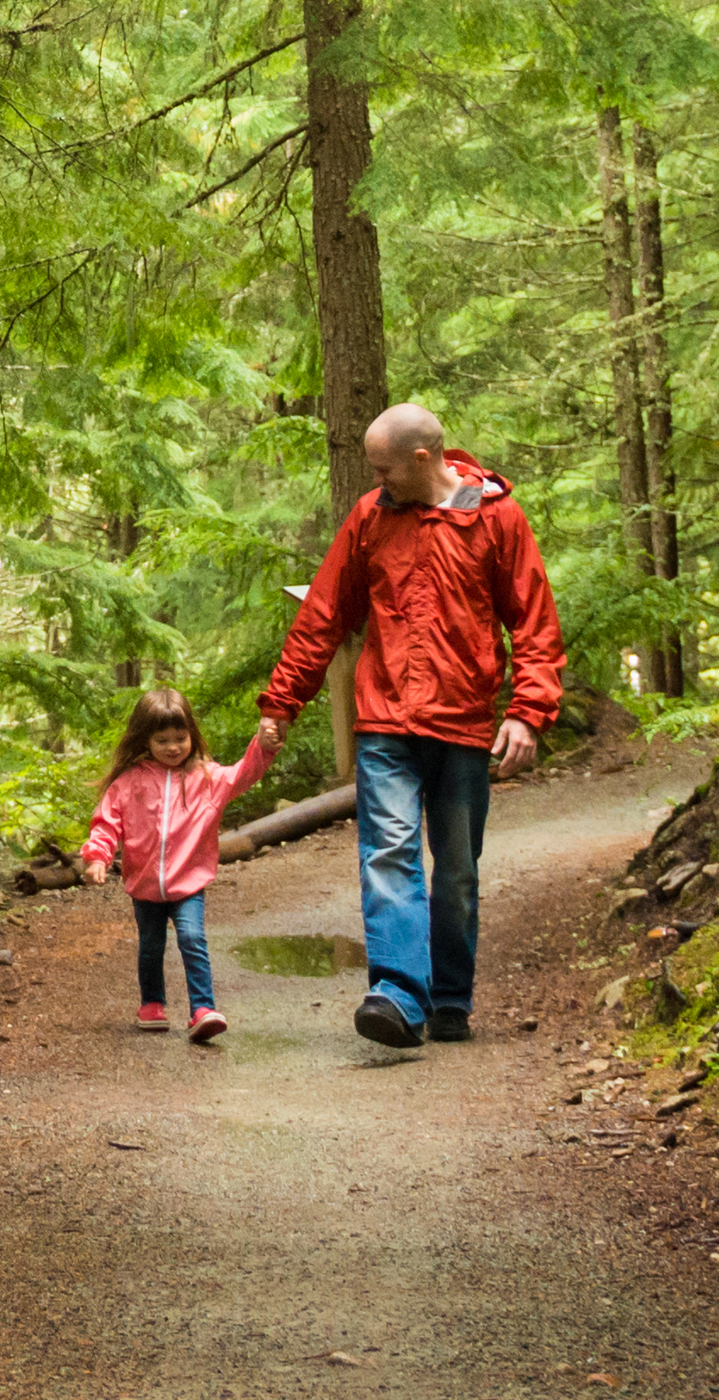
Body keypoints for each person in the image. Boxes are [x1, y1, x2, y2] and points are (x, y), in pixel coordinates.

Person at [251, 400, 564, 1054]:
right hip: (386, 719)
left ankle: (449, 996)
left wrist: (529, 711)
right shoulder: (370, 517)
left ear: (423, 459)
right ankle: (397, 993)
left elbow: (533, 621)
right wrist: (282, 702)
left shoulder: (497, 518)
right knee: (389, 854)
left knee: (456, 870)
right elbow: (325, 614)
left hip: (464, 724)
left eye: (384, 467)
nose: (377, 478)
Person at [74, 687, 264, 1043]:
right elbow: (106, 822)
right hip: (145, 885)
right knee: (150, 944)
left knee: (192, 938)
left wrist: (265, 743)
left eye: (180, 738)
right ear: (145, 739)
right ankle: (152, 1004)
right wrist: (97, 856)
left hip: (188, 882)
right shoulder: (129, 782)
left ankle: (203, 1009)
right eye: (163, 740)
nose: (173, 747)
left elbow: (245, 773)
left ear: (191, 734)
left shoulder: (206, 778)